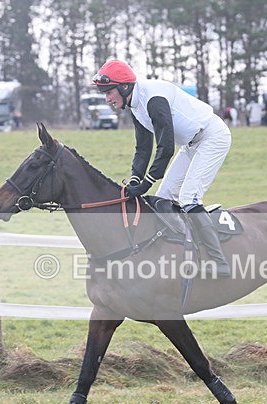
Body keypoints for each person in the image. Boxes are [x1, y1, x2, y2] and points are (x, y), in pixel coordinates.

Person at [92, 59, 231, 277]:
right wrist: (136, 179)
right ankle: (180, 251)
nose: (107, 99)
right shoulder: (134, 105)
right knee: (164, 198)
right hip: (190, 144)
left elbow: (165, 148)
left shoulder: (153, 100)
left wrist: (147, 181)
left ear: (124, 87)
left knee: (189, 199)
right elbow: (143, 148)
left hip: (213, 137)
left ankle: (219, 261)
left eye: (109, 92)